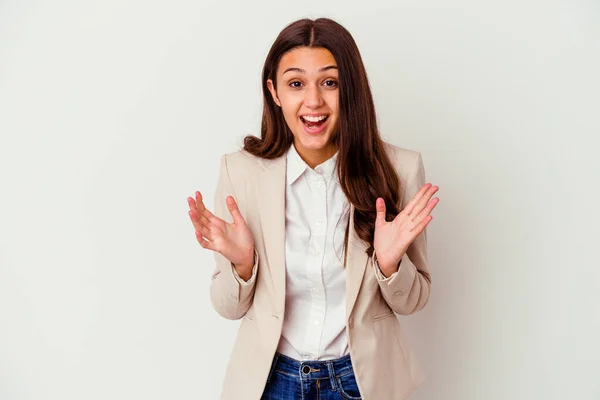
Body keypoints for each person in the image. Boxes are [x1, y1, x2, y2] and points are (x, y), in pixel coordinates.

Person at [187, 17, 439, 400]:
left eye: (330, 82)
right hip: (271, 382)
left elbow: (415, 298)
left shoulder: (399, 171)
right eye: (295, 83)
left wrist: (389, 266)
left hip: (361, 381)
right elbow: (227, 307)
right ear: (274, 91)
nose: (314, 101)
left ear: (350, 89)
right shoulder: (240, 173)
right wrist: (242, 266)